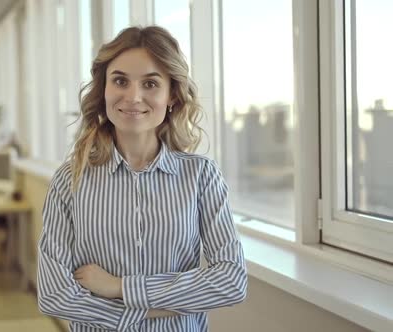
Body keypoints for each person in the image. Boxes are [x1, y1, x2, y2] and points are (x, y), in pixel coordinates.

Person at [37, 26, 247, 331]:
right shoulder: (70, 180)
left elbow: (230, 281)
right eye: (120, 81)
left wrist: (120, 287)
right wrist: (151, 312)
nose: (133, 97)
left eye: (150, 83)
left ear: (172, 95)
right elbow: (54, 296)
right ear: (104, 89)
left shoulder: (202, 176)